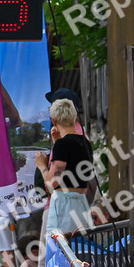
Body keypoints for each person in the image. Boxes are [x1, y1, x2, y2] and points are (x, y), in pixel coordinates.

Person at [36, 99, 96, 240]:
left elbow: (52, 183)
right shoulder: (85, 142)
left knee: (60, 248)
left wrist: (42, 165)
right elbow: (72, 164)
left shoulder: (63, 145)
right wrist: (57, 142)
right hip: (81, 202)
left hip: (65, 205)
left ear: (54, 120)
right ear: (75, 118)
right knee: (80, 247)